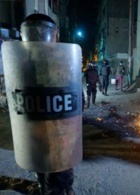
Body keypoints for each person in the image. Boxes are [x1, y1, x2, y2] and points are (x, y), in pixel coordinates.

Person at [20, 13, 76, 195]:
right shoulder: (59, 62)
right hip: (47, 135)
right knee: (53, 178)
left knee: (50, 176)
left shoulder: (23, 64)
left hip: (47, 135)